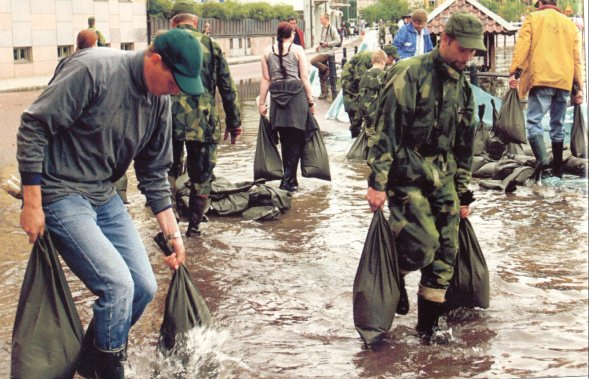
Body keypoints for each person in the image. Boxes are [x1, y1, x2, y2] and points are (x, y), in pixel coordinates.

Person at [16, 28, 199, 377]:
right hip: (60, 191)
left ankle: (91, 359)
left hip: (103, 192)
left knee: (143, 287)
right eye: (176, 82)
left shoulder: (160, 102)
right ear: (155, 59)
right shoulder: (93, 70)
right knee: (117, 286)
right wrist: (32, 203)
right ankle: (109, 368)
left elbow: (153, 171)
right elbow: (33, 126)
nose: (177, 91)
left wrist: (173, 235)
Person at [366, 12, 486, 343]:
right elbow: (385, 132)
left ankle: (427, 333)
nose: (468, 58)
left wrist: (463, 195)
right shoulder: (409, 74)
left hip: (443, 175)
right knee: (422, 243)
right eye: (463, 50)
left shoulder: (463, 87)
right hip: (407, 171)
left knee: (446, 252)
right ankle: (396, 274)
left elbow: (465, 145)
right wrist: (376, 184)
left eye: (473, 53)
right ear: (444, 40)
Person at [169, 2, 242, 237]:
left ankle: (170, 227)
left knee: (165, 173)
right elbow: (227, 87)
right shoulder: (210, 45)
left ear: (173, 23)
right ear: (196, 22)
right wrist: (234, 122)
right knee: (201, 176)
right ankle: (194, 227)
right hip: (202, 121)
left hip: (167, 121)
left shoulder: (161, 46)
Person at [508, 0, 584, 180]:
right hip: (564, 82)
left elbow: (522, 48)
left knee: (534, 121)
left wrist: (515, 73)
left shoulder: (533, 18)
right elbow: (576, 59)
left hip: (542, 78)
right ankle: (557, 169)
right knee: (557, 125)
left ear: (541, 2)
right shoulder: (570, 25)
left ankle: (543, 161)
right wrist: (578, 88)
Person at [259, 21, 315, 192]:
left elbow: (266, 79)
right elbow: (304, 77)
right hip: (296, 97)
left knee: (284, 140)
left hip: (277, 97)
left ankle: (290, 180)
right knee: (297, 138)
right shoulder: (298, 50)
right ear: (292, 34)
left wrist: (262, 103)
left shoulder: (266, 51)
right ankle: (287, 181)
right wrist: (311, 101)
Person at [358, 48, 399, 146]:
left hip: (365, 112)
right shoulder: (383, 75)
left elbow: (360, 92)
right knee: (375, 138)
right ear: (382, 62)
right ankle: (372, 158)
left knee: (369, 134)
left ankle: (367, 154)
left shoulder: (365, 74)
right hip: (376, 113)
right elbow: (385, 95)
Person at [341, 50, 373, 138]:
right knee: (354, 110)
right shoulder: (366, 58)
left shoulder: (376, 59)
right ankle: (355, 135)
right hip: (350, 85)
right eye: (392, 58)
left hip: (356, 85)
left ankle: (358, 134)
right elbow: (359, 79)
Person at [310, 13, 341, 100]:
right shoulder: (323, 28)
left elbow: (338, 40)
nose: (320, 20)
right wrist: (319, 46)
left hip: (328, 52)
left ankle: (327, 69)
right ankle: (324, 93)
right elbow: (323, 40)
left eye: (321, 19)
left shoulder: (332, 28)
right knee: (321, 74)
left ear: (327, 19)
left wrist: (327, 44)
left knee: (313, 61)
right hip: (322, 51)